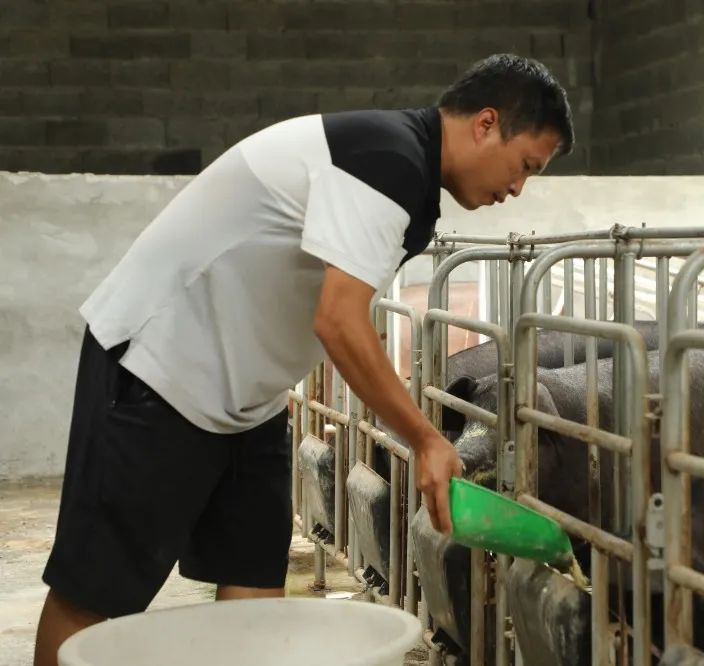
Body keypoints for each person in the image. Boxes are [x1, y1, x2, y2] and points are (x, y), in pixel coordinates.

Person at [33, 53, 574, 665]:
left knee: (256, 589)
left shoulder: (408, 172)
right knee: (95, 592)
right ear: (485, 123)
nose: (518, 187)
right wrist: (424, 438)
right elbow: (339, 321)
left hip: (247, 398)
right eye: (525, 165)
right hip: (158, 370)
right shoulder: (387, 159)